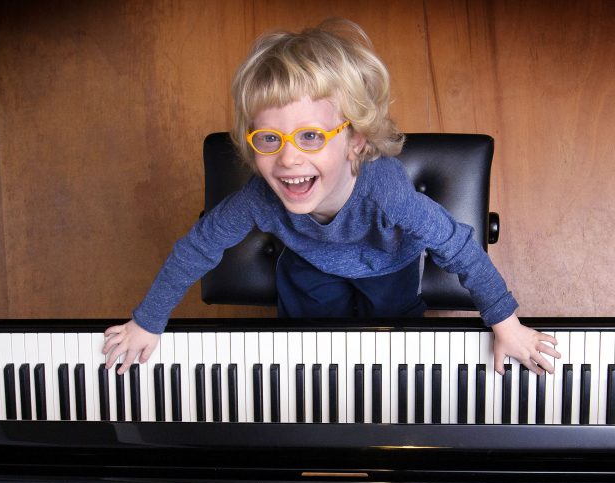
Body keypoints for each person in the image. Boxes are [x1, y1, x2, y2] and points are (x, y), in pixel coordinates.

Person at [103, 18, 560, 376]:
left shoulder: (385, 191)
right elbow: (198, 246)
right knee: (310, 350)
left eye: (310, 136)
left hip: (388, 261)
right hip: (310, 261)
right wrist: (147, 321)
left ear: (355, 141)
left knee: (392, 345)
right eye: (269, 138)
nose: (288, 159)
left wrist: (506, 324)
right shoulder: (260, 196)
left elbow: (457, 245)